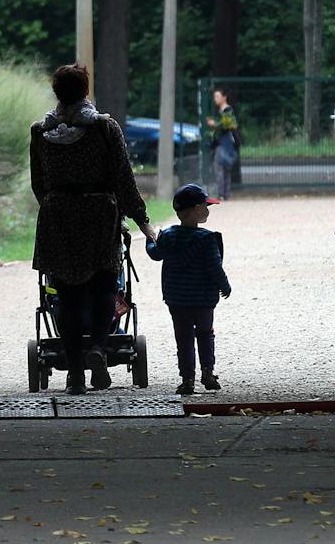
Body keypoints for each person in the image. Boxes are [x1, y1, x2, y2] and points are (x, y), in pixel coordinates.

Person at [30, 63, 155, 394]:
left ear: (56, 93)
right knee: (104, 286)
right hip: (99, 214)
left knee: (67, 296)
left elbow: (38, 184)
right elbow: (123, 179)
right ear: (86, 91)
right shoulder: (104, 128)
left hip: (58, 217)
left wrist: (57, 206)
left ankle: (75, 375)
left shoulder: (40, 132)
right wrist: (142, 221)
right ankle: (99, 347)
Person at [146, 182, 231, 396]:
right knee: (205, 334)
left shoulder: (168, 235)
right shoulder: (208, 239)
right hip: (203, 300)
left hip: (177, 300)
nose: (208, 210)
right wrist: (224, 286)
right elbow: (215, 268)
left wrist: (150, 238)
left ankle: (187, 379)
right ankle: (208, 373)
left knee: (183, 339)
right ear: (197, 209)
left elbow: (155, 253)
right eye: (206, 206)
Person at [206, 88, 240, 200]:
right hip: (223, 143)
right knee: (224, 168)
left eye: (217, 96)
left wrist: (214, 124)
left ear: (224, 97)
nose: (215, 99)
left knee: (220, 167)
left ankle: (222, 194)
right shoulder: (221, 111)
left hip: (225, 143)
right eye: (214, 97)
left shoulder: (228, 110)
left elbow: (226, 126)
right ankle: (225, 194)